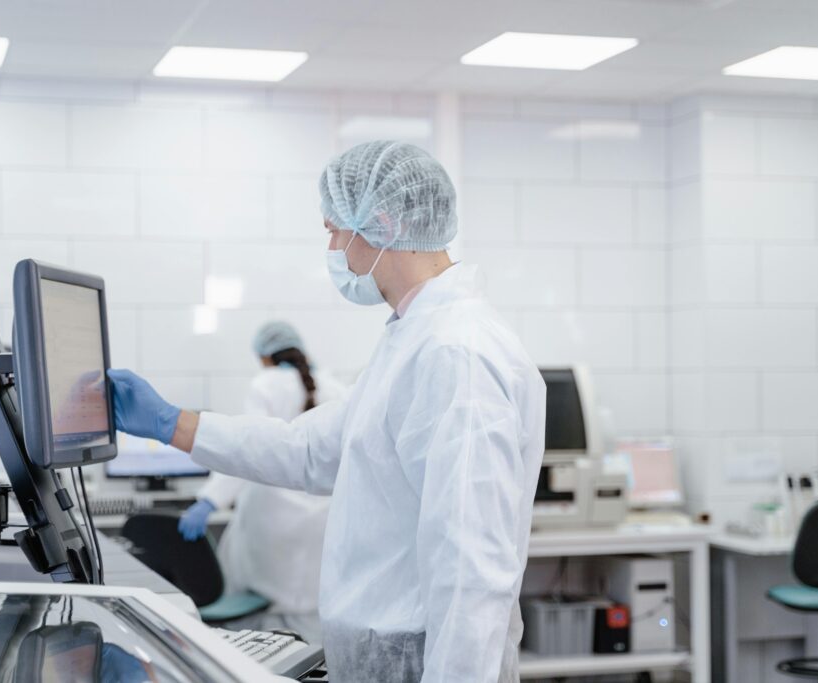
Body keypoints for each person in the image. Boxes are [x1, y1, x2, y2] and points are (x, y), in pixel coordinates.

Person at [108, 140, 545, 682]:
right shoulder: (414, 340)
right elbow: (311, 450)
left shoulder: (455, 354)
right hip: (387, 657)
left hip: (423, 663)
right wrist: (174, 423)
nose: (335, 247)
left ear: (381, 223)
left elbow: (472, 570)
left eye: (335, 230)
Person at [176, 320, 347, 642]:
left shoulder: (265, 384)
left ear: (265, 356)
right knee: (310, 610)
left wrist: (209, 500)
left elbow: (247, 449)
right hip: (321, 520)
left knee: (261, 614)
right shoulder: (333, 386)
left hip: (271, 518)